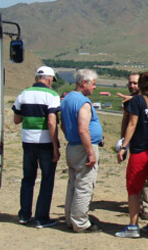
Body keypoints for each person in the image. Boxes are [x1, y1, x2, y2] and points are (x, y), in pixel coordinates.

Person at [115, 72, 148, 238]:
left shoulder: (137, 101)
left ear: (141, 85)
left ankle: (133, 226)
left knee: (134, 189)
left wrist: (123, 146)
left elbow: (132, 124)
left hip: (140, 150)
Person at [12, 66, 61, 228]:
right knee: (47, 180)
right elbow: (52, 121)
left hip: (28, 142)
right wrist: (56, 146)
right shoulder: (52, 95)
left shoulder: (23, 94)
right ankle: (41, 218)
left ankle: (24, 215)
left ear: (36, 79)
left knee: (28, 178)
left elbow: (16, 120)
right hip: (46, 143)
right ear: (49, 79)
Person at [61, 69, 103, 233]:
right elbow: (83, 129)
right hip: (84, 148)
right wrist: (90, 152)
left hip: (72, 146)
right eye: (93, 84)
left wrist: (70, 138)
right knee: (84, 185)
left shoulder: (67, 99)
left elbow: (63, 124)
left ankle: (70, 218)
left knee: (73, 184)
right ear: (84, 83)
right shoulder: (83, 102)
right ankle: (80, 222)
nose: (94, 87)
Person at [116, 73, 148, 221]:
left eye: (135, 83)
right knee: (137, 176)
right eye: (130, 83)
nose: (132, 86)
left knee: (146, 177)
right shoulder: (129, 102)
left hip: (147, 144)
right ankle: (139, 206)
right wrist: (122, 143)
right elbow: (125, 122)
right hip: (134, 144)